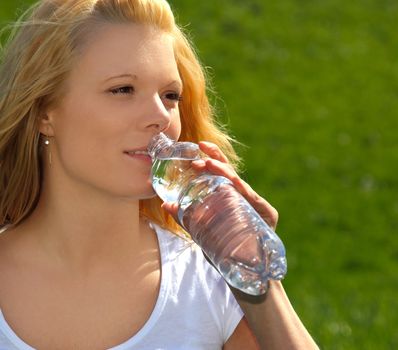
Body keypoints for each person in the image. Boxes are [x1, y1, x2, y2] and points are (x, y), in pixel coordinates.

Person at [0, 0, 319, 349]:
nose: (160, 117)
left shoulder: (209, 281)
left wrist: (259, 280)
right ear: (46, 110)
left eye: (170, 96)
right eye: (122, 90)